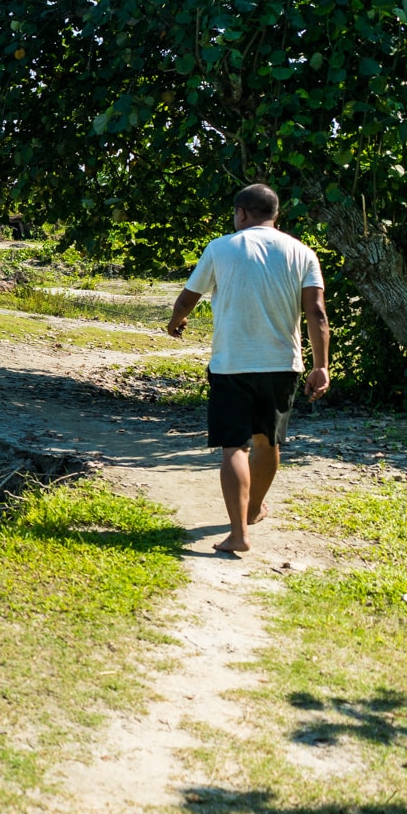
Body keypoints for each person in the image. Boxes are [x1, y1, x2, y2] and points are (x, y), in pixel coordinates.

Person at [166, 183, 331, 553]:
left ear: (241, 213)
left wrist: (176, 322)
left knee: (233, 448)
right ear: (275, 215)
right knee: (267, 442)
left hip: (231, 365)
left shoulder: (221, 247)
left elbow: (187, 298)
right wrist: (321, 366)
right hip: (282, 364)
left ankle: (239, 534)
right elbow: (316, 313)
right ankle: (254, 508)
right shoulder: (302, 252)